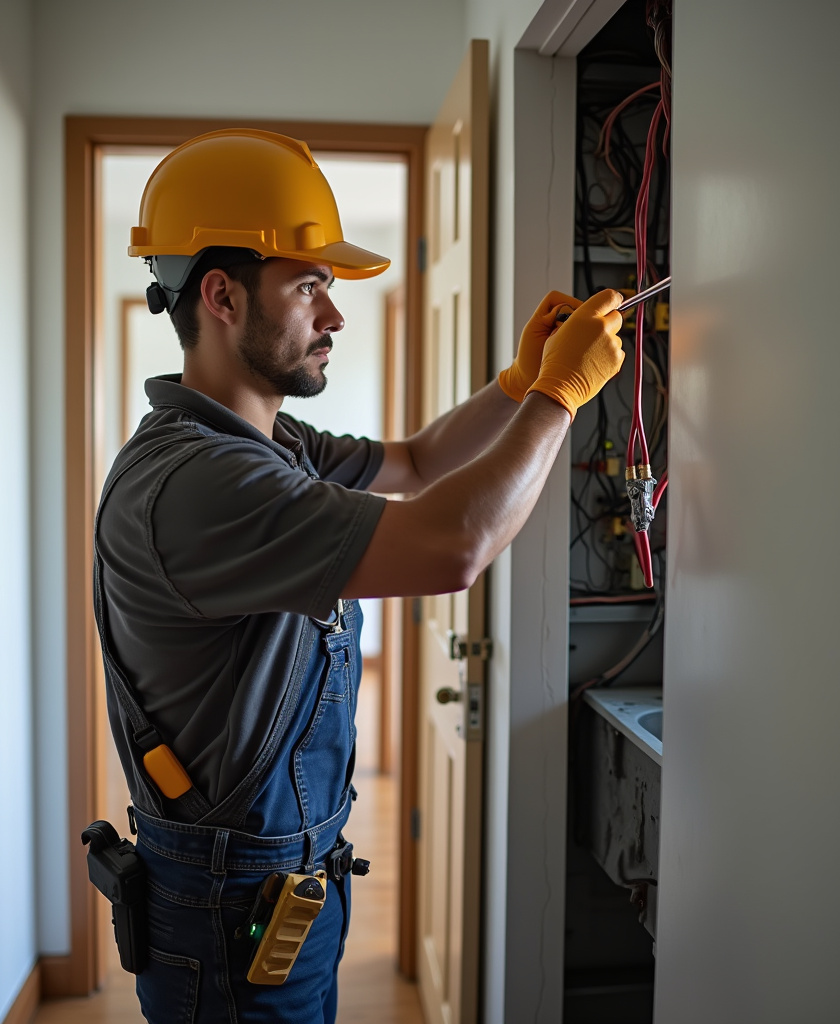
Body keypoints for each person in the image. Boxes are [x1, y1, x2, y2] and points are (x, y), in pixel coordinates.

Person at [94, 127, 625, 1023]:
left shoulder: (266, 442)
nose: (334, 316)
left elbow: (416, 463)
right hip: (232, 914)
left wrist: (515, 383)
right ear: (220, 296)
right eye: (309, 288)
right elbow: (453, 545)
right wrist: (556, 402)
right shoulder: (203, 483)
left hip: (276, 891)